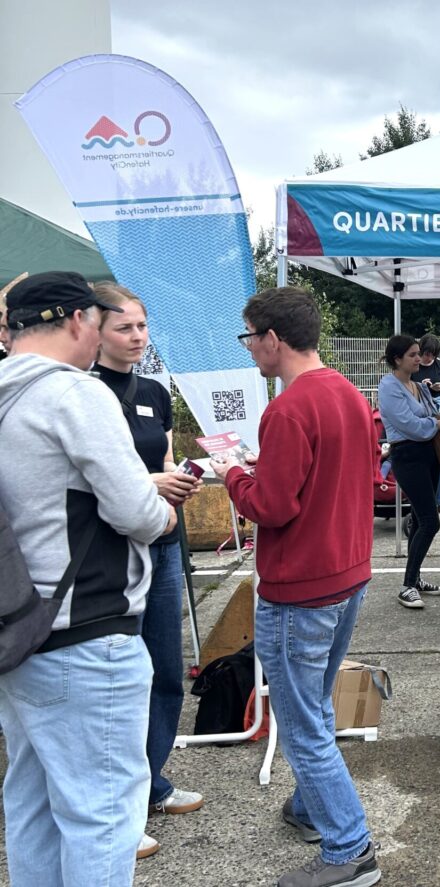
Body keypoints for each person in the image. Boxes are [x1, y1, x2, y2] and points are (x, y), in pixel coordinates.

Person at [0, 271, 176, 886]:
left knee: (32, 802)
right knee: (103, 814)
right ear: (79, 321)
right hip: (86, 629)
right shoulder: (76, 394)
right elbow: (134, 510)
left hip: (18, 630)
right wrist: (165, 510)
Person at [211, 286, 381, 887]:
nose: (250, 348)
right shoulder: (348, 396)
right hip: (348, 576)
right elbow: (335, 480)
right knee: (316, 704)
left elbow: (274, 507)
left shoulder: (286, 410)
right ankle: (312, 808)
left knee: (304, 725)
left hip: (299, 589)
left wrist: (231, 472)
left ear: (272, 340)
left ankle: (351, 850)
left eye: (249, 337)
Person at [93, 283, 204, 859]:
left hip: (162, 540)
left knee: (164, 667)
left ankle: (152, 782)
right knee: (118, 680)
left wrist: (176, 481)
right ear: (94, 329)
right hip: (110, 552)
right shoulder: (81, 393)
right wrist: (148, 487)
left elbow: (160, 460)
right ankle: (118, 809)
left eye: (142, 327)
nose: (137, 337)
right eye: (124, 328)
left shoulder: (155, 391)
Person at [378, 334, 440, 609]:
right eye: (412, 354)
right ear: (397, 358)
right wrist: (436, 425)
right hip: (408, 456)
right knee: (429, 520)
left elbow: (436, 413)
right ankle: (408, 585)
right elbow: (409, 424)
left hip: (428, 454)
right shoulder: (389, 386)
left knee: (417, 518)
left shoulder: (418, 386)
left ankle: (415, 578)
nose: (418, 358)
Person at [413, 334, 440, 514]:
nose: (428, 358)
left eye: (432, 355)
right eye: (425, 354)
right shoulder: (413, 366)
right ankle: (424, 500)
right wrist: (421, 387)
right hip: (421, 412)